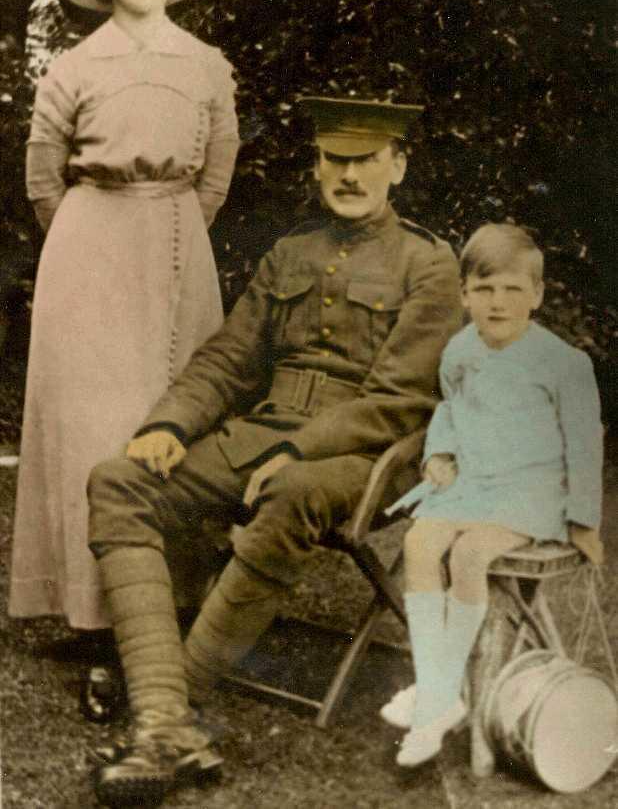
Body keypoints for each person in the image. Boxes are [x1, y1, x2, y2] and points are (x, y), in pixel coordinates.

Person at [84, 96, 463, 806]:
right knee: (118, 481)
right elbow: (229, 358)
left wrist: (298, 448)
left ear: (398, 166)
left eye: (366, 160)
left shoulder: (430, 264)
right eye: (334, 159)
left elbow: (400, 399)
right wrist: (170, 425)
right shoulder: (291, 252)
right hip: (262, 434)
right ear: (316, 166)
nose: (348, 175)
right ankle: (167, 719)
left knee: (293, 490)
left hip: (364, 455)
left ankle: (172, 706)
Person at [8, 0, 239, 712]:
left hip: (176, 242)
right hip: (88, 247)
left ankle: (169, 601)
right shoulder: (75, 67)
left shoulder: (206, 65)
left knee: (170, 411)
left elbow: (217, 171)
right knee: (92, 421)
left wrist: (163, 222)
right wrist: (96, 233)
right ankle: (94, 611)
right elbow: (43, 178)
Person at [379, 222, 605, 769]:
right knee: (418, 544)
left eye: (512, 289)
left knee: (469, 553)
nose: (497, 302)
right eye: (483, 289)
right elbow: (451, 410)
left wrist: (583, 522)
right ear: (464, 294)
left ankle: (434, 696)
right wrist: (440, 453)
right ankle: (442, 693)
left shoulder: (563, 363)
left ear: (537, 295)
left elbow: (584, 445)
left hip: (530, 494)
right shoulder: (460, 350)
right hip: (473, 483)